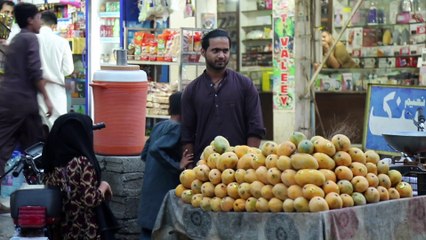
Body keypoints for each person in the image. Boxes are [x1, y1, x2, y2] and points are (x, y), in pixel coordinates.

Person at [181, 29, 266, 162]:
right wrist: (190, 166)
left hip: (238, 165)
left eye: (225, 51)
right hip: (204, 166)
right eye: (215, 51)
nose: (221, 55)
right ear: (203, 52)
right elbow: (187, 134)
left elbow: (256, 127)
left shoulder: (245, 85)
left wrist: (249, 161)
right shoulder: (192, 90)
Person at [0, 3, 53, 177]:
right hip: (23, 103)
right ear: (30, 20)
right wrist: (47, 98)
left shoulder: (15, 39)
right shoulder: (30, 39)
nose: (40, 22)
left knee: (8, 146)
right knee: (36, 147)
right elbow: (35, 71)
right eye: (38, 18)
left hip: (8, 101)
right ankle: (43, 189)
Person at [42, 113, 113, 239]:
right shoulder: (82, 163)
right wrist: (104, 186)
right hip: (85, 230)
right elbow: (89, 199)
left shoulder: (53, 162)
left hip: (62, 231)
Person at [138, 91, 193, 240]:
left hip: (150, 192)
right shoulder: (177, 128)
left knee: (146, 232)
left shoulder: (159, 126)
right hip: (162, 193)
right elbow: (156, 149)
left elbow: (145, 153)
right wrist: (178, 165)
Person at [37, 10, 74, 131]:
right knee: (57, 131)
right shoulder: (62, 42)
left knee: (39, 132)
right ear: (54, 26)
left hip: (36, 92)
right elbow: (68, 70)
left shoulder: (32, 40)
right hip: (57, 93)